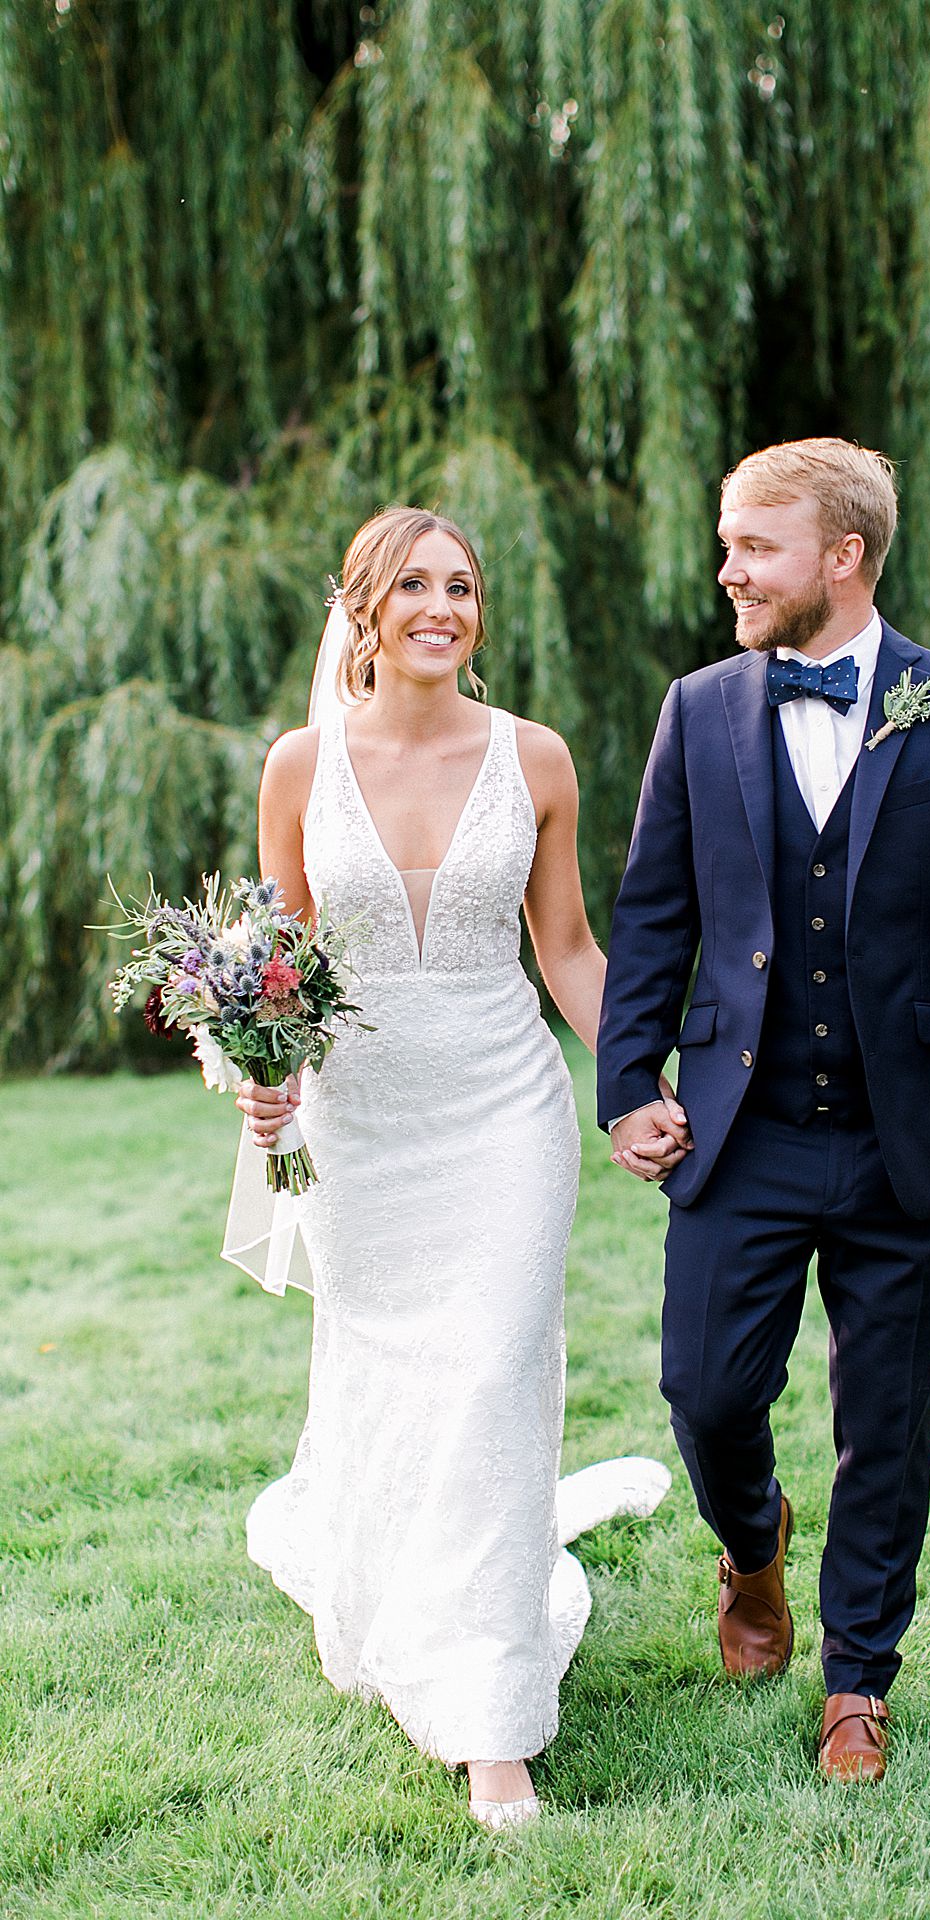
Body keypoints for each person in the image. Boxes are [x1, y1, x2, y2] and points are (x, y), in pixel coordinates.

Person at [597, 438, 930, 1783]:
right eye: (728, 542)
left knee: (889, 1423)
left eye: (756, 544)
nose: (727, 568)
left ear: (844, 557)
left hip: (911, 1132)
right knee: (703, 1386)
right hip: (739, 1127)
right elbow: (656, 914)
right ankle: (754, 1550)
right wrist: (631, 1084)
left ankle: (858, 1682)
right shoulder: (698, 710)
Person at [233, 506, 676, 1828]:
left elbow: (573, 951)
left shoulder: (534, 758)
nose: (444, 605)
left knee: (489, 1375)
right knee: (396, 1379)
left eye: (464, 586)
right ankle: (400, 1605)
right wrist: (266, 1075)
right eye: (415, 584)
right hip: (365, 1126)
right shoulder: (298, 767)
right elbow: (277, 965)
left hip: (501, 1110)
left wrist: (637, 1084)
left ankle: (491, 1719)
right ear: (363, 607)